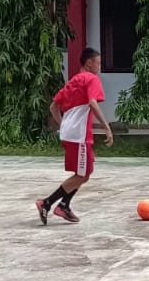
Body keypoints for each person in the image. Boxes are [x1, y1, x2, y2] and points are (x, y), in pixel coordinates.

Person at [37, 47, 115, 224]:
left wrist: (64, 124)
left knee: (86, 171)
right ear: (89, 63)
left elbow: (53, 107)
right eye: (98, 63)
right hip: (79, 135)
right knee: (82, 175)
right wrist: (107, 127)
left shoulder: (73, 81)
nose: (99, 67)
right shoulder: (92, 79)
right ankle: (46, 203)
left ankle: (64, 205)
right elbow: (92, 103)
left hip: (70, 133)